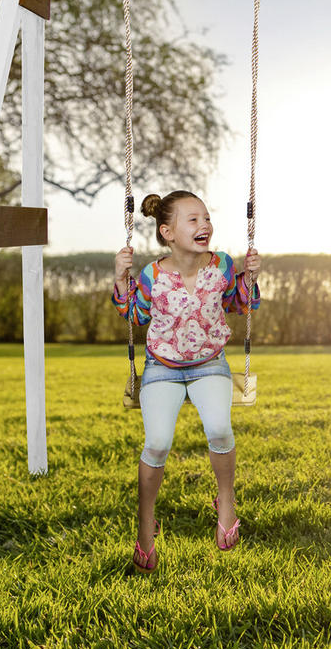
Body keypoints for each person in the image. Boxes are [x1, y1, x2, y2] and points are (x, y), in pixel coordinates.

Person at [112, 190, 261, 574]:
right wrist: (120, 276)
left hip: (210, 363)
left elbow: (239, 303)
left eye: (206, 218)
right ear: (168, 232)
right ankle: (146, 524)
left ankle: (225, 500)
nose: (204, 225)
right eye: (193, 220)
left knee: (220, 429)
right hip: (162, 367)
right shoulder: (151, 275)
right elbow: (133, 314)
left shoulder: (222, 265)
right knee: (158, 442)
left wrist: (250, 278)